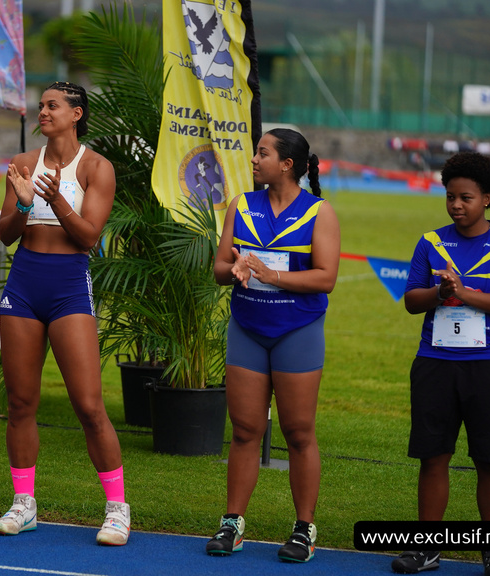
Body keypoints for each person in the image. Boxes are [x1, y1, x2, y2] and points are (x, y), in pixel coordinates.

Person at [0, 81, 129, 546]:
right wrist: (27, 202)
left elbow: (89, 237)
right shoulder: (23, 163)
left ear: (77, 113)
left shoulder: (96, 167)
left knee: (90, 406)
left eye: (53, 106)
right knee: (21, 403)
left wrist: (55, 200)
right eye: (42, 106)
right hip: (24, 282)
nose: (43, 112)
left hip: (69, 286)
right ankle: (23, 504)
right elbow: (6, 233)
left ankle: (116, 510)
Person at [391, 152, 490, 576]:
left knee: (489, 460)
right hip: (435, 362)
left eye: (465, 197)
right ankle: (427, 548)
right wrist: (439, 293)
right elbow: (412, 299)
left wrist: (463, 293)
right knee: (434, 457)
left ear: (487, 198)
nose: (455, 205)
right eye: (450, 196)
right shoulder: (431, 242)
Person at [208, 128, 340, 562]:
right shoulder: (241, 205)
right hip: (247, 328)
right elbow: (219, 268)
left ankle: (304, 529)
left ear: (287, 164)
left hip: (296, 332)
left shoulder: (320, 213)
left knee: (298, 433)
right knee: (244, 431)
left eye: (262, 153)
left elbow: (326, 278)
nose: (254, 159)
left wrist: (272, 276)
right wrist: (238, 269)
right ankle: (232, 524)